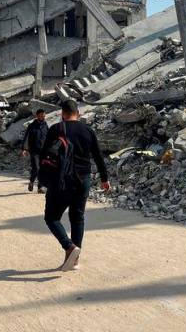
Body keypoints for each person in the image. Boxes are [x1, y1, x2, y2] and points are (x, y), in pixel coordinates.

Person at [40, 100, 110, 272]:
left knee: (51, 217)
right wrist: (104, 178)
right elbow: (98, 156)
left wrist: (42, 179)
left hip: (62, 180)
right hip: (83, 180)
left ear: (63, 114)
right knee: (77, 218)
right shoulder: (88, 130)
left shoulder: (56, 129)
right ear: (77, 113)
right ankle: (75, 259)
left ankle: (69, 247)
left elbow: (44, 155)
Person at [21, 109, 49, 194]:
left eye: (44, 115)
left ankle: (40, 187)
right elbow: (26, 137)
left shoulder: (46, 126)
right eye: (41, 115)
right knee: (36, 168)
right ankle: (32, 182)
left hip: (44, 151)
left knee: (42, 169)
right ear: (37, 116)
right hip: (34, 151)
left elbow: (49, 138)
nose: (43, 117)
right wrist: (24, 149)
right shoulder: (32, 126)